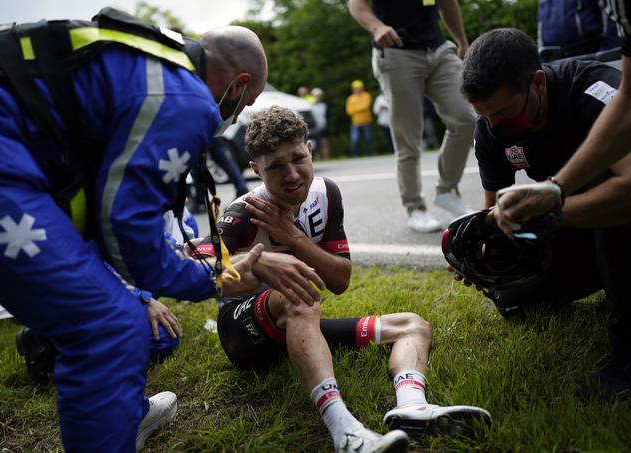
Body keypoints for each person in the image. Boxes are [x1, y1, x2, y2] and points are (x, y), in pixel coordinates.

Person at [0, 9, 325, 451]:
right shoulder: (188, 99)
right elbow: (125, 231)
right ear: (238, 84)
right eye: (245, 103)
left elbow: (99, 211)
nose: (236, 112)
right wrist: (218, 279)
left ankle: (121, 416)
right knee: (106, 324)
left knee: (116, 314)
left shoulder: (155, 62)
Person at [193, 106, 491, 452]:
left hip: (300, 328)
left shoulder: (326, 194)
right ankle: (344, 431)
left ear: (310, 149)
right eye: (275, 166)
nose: (291, 175)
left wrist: (294, 239)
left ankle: (411, 407)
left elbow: (340, 279)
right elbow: (197, 262)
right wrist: (257, 263)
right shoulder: (247, 211)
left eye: (298, 158)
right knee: (299, 295)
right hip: (243, 333)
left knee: (412, 326)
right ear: (256, 170)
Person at [459, 27, 631, 399]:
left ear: (537, 83)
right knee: (510, 297)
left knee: (608, 187)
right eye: (484, 114)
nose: (495, 126)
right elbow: (494, 215)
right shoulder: (490, 128)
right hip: (576, 227)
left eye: (504, 111)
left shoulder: (592, 90)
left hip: (617, 217)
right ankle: (606, 280)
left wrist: (549, 214)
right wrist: (478, 254)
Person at [349, 0, 476, 233]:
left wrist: (462, 43)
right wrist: (377, 27)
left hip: (438, 49)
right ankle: (415, 207)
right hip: (397, 53)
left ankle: (447, 190)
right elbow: (356, 4)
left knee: (465, 119)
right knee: (408, 137)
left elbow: (448, 4)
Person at [345, 79, 373, 157]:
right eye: (356, 88)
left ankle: (368, 154)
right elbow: (349, 111)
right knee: (355, 140)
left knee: (368, 139)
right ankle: (355, 155)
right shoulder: (350, 99)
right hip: (356, 122)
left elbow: (366, 106)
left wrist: (355, 108)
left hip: (367, 121)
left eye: (359, 87)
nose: (358, 89)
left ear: (362, 88)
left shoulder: (366, 95)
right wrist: (360, 108)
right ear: (353, 89)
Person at [311, 87, 331, 160]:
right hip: (315, 128)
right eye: (316, 96)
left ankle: (326, 158)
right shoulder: (311, 106)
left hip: (324, 127)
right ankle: (317, 158)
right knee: (315, 144)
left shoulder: (325, 105)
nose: (317, 97)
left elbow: (327, 116)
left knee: (325, 143)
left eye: (319, 96)